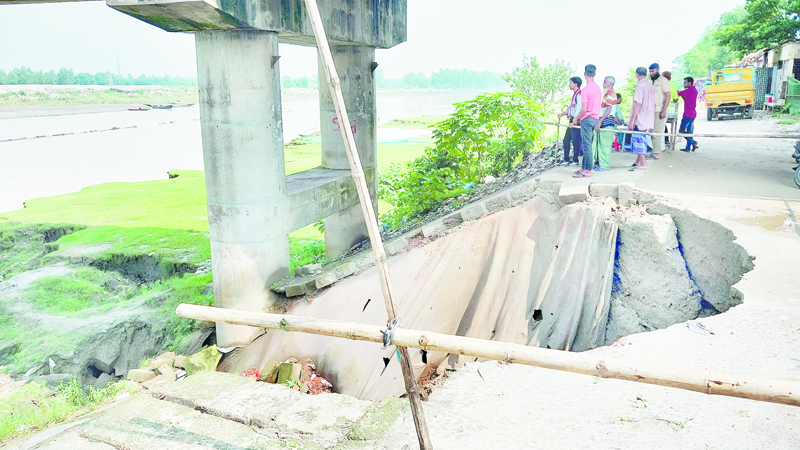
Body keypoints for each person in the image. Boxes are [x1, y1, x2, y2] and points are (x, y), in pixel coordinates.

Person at [573, 64, 601, 178]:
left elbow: (584, 108)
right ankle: (584, 167)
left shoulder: (585, 90)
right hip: (595, 118)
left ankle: (588, 169)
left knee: (586, 145)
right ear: (594, 74)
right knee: (588, 143)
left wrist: (576, 118)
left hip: (587, 118)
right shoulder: (598, 88)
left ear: (585, 74)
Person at [629, 67, 655, 170]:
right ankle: (638, 161)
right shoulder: (651, 86)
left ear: (637, 75)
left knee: (638, 139)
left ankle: (643, 163)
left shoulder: (640, 85)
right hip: (649, 115)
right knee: (641, 137)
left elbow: (638, 104)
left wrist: (632, 120)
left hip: (641, 116)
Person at [556, 77, 582, 165]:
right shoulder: (575, 95)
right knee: (566, 140)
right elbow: (571, 107)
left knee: (575, 141)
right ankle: (566, 159)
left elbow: (579, 109)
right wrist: (563, 113)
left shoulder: (579, 95)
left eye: (571, 83)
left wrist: (575, 120)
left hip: (575, 120)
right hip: (572, 119)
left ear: (575, 84)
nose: (570, 85)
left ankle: (575, 160)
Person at [594, 76, 617, 171]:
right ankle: (600, 163)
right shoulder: (607, 94)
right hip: (604, 119)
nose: (603, 84)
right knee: (600, 144)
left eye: (605, 82)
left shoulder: (611, 94)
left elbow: (608, 109)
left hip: (607, 120)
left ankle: (604, 165)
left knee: (604, 145)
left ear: (610, 84)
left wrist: (600, 121)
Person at [649, 63, 671, 159]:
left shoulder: (663, 81)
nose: (651, 73)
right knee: (652, 131)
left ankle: (656, 153)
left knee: (657, 132)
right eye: (650, 71)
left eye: (652, 71)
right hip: (651, 110)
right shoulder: (651, 82)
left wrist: (663, 110)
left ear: (657, 70)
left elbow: (668, 96)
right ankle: (655, 151)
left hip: (659, 109)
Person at [677, 76, 699, 152]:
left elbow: (680, 93)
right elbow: (686, 99)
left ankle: (693, 142)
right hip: (692, 113)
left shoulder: (689, 90)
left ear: (689, 83)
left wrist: (677, 92)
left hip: (688, 114)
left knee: (681, 131)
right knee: (689, 132)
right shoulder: (694, 90)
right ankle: (688, 148)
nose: (684, 84)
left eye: (685, 83)